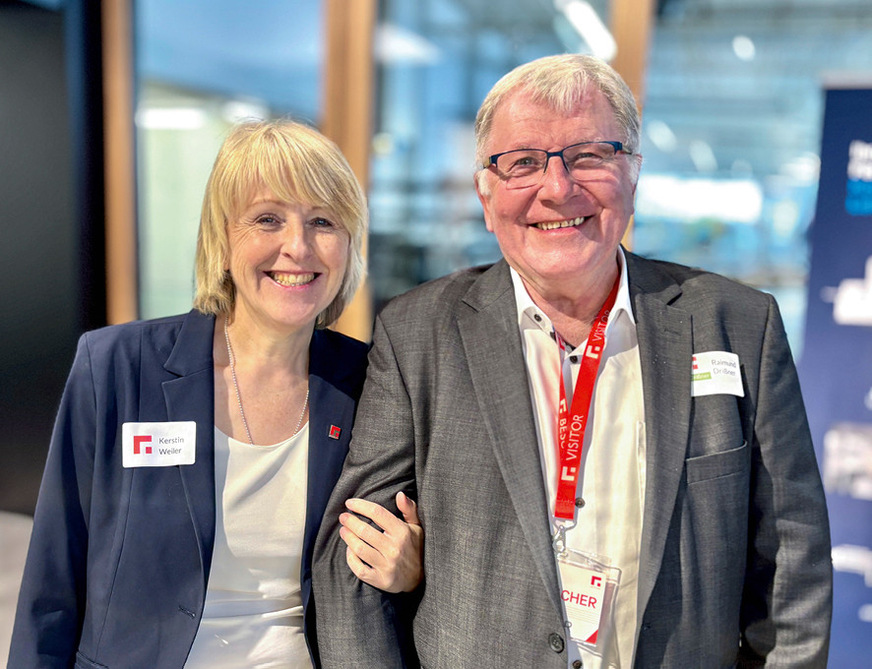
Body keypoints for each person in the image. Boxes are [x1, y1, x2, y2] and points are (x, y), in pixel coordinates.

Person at [313, 54, 832, 668]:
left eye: (588, 155)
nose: (557, 188)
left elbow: (791, 569)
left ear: (632, 173)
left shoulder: (739, 325)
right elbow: (353, 560)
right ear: (486, 192)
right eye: (523, 163)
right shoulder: (417, 333)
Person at [8, 120, 423, 669]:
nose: (297, 247)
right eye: (267, 219)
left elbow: (411, 565)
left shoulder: (372, 381)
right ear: (222, 239)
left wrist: (413, 571)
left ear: (349, 244)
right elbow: (53, 579)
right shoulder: (116, 366)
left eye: (323, 221)